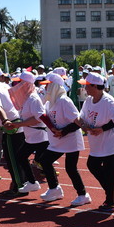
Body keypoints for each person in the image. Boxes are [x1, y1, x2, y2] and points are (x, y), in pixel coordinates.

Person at [38, 72, 90, 206]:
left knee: (70, 168)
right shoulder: (50, 102)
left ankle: (83, 195)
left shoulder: (64, 101)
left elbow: (77, 121)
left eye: (47, 85)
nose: (45, 88)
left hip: (71, 138)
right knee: (45, 160)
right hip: (58, 140)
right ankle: (55, 189)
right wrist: (54, 130)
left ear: (55, 86)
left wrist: (63, 131)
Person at [78, 72, 114, 211]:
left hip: (111, 143)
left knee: (110, 171)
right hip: (96, 143)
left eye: (87, 86)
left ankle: (111, 200)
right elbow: (81, 117)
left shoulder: (109, 102)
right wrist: (84, 126)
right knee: (93, 165)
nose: (85, 89)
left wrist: (102, 128)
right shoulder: (88, 101)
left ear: (95, 86)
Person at [7, 71, 50, 194]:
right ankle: (33, 182)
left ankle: (54, 187)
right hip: (31, 137)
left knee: (44, 163)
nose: (17, 85)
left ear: (26, 84)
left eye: (20, 82)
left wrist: (19, 124)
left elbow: (38, 118)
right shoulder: (27, 98)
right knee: (23, 157)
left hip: (39, 137)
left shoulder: (33, 98)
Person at [0, 67, 24, 196]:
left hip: (11, 124)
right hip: (19, 120)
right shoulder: (7, 86)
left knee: (12, 158)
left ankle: (18, 186)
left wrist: (4, 121)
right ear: (2, 77)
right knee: (20, 156)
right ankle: (21, 183)